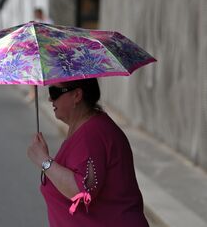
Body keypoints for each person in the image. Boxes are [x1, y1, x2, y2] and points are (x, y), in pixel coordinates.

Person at [26, 78, 149, 227]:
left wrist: (44, 161)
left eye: (55, 92)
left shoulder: (92, 134)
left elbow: (83, 191)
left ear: (77, 95)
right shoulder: (87, 127)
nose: (50, 98)